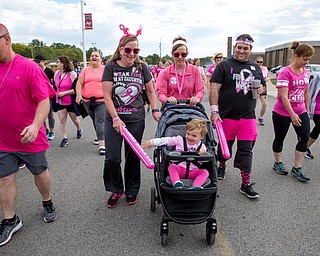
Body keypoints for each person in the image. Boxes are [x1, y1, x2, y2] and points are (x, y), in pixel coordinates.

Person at [0, 24, 57, 247]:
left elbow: (44, 100)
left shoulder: (29, 67)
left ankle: (47, 200)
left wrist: (35, 126)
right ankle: (10, 219)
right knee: (5, 178)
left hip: (29, 137)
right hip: (3, 139)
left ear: (7, 39)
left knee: (39, 172)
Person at [101, 24, 161, 208]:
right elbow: (107, 96)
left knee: (133, 156)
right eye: (128, 49)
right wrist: (116, 118)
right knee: (112, 157)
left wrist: (155, 109)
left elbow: (151, 91)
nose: (132, 53)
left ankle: (132, 190)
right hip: (115, 120)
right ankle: (116, 189)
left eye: (136, 50)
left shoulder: (141, 67)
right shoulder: (110, 67)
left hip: (136, 119)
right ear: (120, 50)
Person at [209, 34, 266, 199]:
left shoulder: (255, 68)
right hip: (227, 116)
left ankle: (246, 183)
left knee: (246, 149)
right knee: (224, 146)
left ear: (250, 50)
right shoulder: (224, 66)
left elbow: (261, 86)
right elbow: (214, 88)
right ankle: (222, 164)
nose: (241, 51)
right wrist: (214, 111)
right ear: (235, 47)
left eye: (245, 48)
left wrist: (262, 89)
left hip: (248, 116)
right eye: (239, 47)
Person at [272, 41, 315, 182]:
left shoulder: (306, 72)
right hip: (282, 112)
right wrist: (292, 114)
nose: (306, 62)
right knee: (280, 138)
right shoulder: (285, 72)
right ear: (296, 56)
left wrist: (306, 111)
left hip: (300, 110)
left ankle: (297, 167)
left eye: (309, 59)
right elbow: (284, 96)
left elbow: (306, 93)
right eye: (304, 59)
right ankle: (277, 163)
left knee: (304, 137)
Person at [142, 119, 209, 189]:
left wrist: (203, 153)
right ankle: (177, 183)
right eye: (188, 134)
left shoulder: (202, 147)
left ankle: (196, 186)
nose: (189, 137)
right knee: (172, 167)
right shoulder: (179, 140)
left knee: (205, 172)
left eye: (194, 136)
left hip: (194, 171)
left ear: (201, 137)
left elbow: (205, 159)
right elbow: (166, 140)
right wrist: (151, 142)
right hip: (179, 169)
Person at [156, 36, 204, 105]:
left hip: (190, 110)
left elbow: (200, 90)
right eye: (176, 54)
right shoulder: (166, 72)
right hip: (172, 110)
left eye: (183, 54)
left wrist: (197, 98)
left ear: (187, 54)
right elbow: (161, 93)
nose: (180, 57)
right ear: (172, 54)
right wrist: (167, 99)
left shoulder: (195, 71)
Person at [76, 51, 106, 155]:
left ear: (101, 59)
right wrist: (78, 95)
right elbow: (79, 83)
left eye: (96, 56)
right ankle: (100, 136)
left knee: (100, 121)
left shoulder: (105, 69)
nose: (94, 57)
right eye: (92, 56)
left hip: (102, 100)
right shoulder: (85, 70)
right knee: (94, 120)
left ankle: (102, 144)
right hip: (87, 101)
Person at [53, 56, 83, 147]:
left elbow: (76, 89)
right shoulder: (56, 73)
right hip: (59, 101)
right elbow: (55, 87)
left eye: (58, 62)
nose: (56, 63)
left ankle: (79, 129)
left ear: (63, 63)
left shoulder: (72, 74)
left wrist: (65, 93)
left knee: (74, 119)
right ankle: (64, 138)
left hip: (70, 100)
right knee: (62, 120)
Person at [34, 54, 56, 140]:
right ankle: (45, 129)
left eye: (39, 62)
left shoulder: (49, 72)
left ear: (43, 62)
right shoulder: (35, 70)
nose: (37, 64)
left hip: (48, 96)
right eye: (36, 62)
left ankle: (51, 131)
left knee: (50, 114)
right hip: (38, 96)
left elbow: (55, 83)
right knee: (39, 114)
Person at [305, 74, 320, 159]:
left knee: (316, 130)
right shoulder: (318, 78)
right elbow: (310, 92)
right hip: (317, 110)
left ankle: (305, 148)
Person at [255, 56, 269, 126]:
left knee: (264, 104)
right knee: (254, 104)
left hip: (263, 86)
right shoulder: (254, 68)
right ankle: (251, 118)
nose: (259, 63)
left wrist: (267, 79)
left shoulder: (265, 68)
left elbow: (267, 76)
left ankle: (261, 117)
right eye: (258, 62)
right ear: (256, 62)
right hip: (255, 87)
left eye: (261, 62)